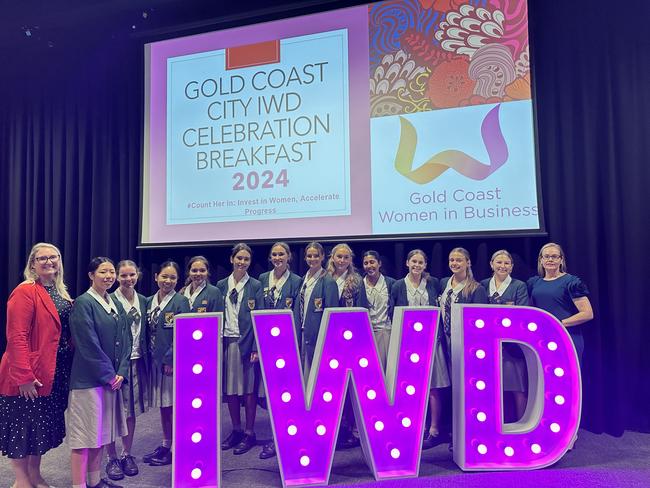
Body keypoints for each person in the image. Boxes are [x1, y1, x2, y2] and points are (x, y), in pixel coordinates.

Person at [0, 243, 74, 488]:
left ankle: (35, 476)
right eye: (42, 258)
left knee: (38, 430)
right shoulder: (25, 291)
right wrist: (23, 376)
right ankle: (22, 481)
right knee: (22, 429)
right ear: (32, 264)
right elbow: (16, 335)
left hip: (53, 371)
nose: (49, 261)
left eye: (54, 257)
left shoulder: (59, 291)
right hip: (28, 374)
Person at [66, 257, 132, 488]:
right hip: (89, 382)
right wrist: (109, 375)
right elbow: (87, 344)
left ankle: (94, 482)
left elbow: (126, 339)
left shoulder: (113, 302)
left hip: (111, 380)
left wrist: (122, 371)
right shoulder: (84, 303)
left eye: (111, 272)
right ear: (91, 275)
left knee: (99, 436)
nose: (109, 276)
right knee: (83, 438)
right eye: (103, 272)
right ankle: (79, 485)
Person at [390, 249, 444, 448]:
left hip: (432, 341)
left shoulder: (433, 284)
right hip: (407, 343)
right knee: (409, 387)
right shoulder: (397, 286)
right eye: (414, 261)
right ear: (407, 263)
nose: (417, 265)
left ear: (425, 265)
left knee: (433, 387)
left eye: (421, 262)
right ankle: (413, 428)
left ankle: (434, 429)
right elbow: (391, 313)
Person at [142, 261, 190, 467]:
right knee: (163, 405)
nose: (168, 281)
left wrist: (171, 359)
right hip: (153, 360)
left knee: (173, 405)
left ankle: (177, 447)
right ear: (156, 277)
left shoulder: (181, 301)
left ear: (177, 280)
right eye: (164, 276)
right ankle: (166, 442)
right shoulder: (148, 301)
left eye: (172, 278)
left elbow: (183, 334)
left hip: (171, 363)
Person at [217, 244, 264, 456]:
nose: (242, 262)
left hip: (247, 343)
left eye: (246, 259)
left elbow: (260, 317)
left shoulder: (255, 285)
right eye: (239, 258)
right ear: (231, 259)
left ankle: (249, 432)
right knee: (231, 389)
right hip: (227, 342)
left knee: (248, 389)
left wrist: (256, 346)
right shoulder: (220, 285)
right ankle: (236, 429)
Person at [438, 247, 488, 448]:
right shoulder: (443, 283)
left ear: (468, 262)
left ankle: (468, 432)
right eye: (452, 260)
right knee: (451, 388)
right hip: (445, 342)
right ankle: (452, 431)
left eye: (459, 260)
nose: (455, 263)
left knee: (466, 389)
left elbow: (480, 322)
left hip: (466, 345)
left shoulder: (476, 289)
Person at [104, 260, 149, 480]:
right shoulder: (110, 300)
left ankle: (126, 453)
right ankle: (111, 457)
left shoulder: (143, 300)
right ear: (117, 277)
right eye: (123, 276)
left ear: (138, 275)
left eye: (132, 275)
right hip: (115, 365)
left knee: (130, 411)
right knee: (111, 412)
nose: (128, 279)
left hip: (136, 362)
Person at [257, 242, 302, 459]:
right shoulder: (262, 280)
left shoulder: (296, 281)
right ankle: (273, 436)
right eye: (274, 254)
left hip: (286, 343)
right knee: (270, 392)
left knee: (287, 391)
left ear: (289, 256)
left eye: (281, 254)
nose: (278, 257)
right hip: (266, 342)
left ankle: (284, 437)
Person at [480, 250, 529, 420]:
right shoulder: (482, 284)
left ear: (512, 267)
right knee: (489, 387)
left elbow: (522, 314)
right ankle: (491, 424)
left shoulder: (519, 286)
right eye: (499, 262)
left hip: (512, 345)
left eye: (507, 263)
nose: (502, 266)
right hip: (487, 344)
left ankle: (522, 425)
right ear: (491, 264)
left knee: (517, 387)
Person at [528, 243, 593, 366]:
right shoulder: (533, 283)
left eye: (554, 256)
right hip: (542, 337)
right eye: (546, 256)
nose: (550, 259)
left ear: (561, 260)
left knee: (568, 380)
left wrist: (557, 324)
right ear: (541, 260)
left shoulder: (572, 282)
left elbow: (587, 313)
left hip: (567, 336)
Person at [326, 243, 365, 449]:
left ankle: (353, 429)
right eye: (339, 257)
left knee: (350, 388)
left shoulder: (356, 281)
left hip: (350, 340)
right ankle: (335, 428)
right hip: (328, 338)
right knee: (331, 387)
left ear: (351, 260)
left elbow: (362, 310)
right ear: (332, 257)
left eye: (346, 257)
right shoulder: (324, 279)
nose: (342, 261)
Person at [293, 242, 339, 378]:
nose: (312, 259)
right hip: (301, 334)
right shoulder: (302, 280)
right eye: (309, 256)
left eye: (316, 256)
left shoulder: (329, 282)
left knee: (316, 376)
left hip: (317, 336)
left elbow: (332, 316)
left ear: (322, 257)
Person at [360, 250, 396, 369]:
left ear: (379, 263)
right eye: (366, 263)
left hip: (386, 332)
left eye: (372, 262)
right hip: (366, 333)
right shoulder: (359, 284)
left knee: (387, 369)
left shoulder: (391, 283)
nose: (369, 266)